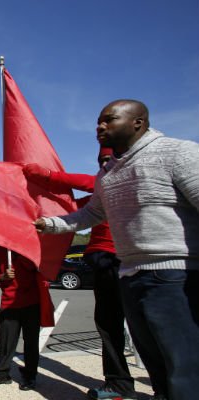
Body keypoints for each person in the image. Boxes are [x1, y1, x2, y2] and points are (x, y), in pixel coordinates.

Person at [34, 100, 199, 400]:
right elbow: (91, 214)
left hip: (177, 275)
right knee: (156, 363)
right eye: (98, 121)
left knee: (185, 365)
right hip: (130, 275)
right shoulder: (107, 174)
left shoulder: (178, 153)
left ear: (138, 122)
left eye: (109, 120)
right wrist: (50, 224)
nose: (100, 126)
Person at [23, 147, 136, 399]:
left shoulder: (129, 179)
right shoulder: (100, 192)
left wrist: (48, 174)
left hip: (130, 259)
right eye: (101, 162)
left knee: (148, 325)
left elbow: (78, 183)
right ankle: (118, 384)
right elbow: (74, 210)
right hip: (102, 258)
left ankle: (166, 386)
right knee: (109, 324)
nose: (105, 167)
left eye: (110, 160)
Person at [0, 246, 41, 391]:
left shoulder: (30, 246)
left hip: (32, 301)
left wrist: (20, 256)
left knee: (31, 342)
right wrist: (2, 277)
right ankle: (2, 374)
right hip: (8, 304)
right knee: (6, 342)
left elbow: (39, 267)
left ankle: (30, 375)